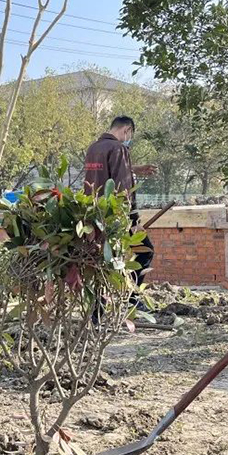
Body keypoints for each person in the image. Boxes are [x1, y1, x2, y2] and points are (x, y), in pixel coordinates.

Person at [83, 115, 157, 309]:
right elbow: (123, 188)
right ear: (127, 131)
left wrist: (134, 168)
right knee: (145, 251)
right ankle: (132, 298)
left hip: (93, 216)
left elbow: (104, 175)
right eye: (129, 135)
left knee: (102, 261)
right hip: (116, 217)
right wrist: (134, 220)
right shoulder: (119, 148)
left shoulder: (93, 149)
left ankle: (96, 312)